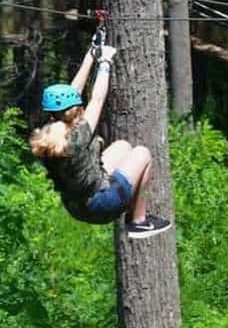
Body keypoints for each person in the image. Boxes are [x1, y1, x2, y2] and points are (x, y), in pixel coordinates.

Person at [29, 42, 172, 239]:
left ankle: (125, 203)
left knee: (123, 147)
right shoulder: (80, 133)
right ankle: (138, 221)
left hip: (76, 206)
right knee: (142, 153)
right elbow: (97, 99)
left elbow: (73, 91)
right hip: (102, 204)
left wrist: (91, 55)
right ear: (76, 110)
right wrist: (105, 61)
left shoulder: (47, 134)